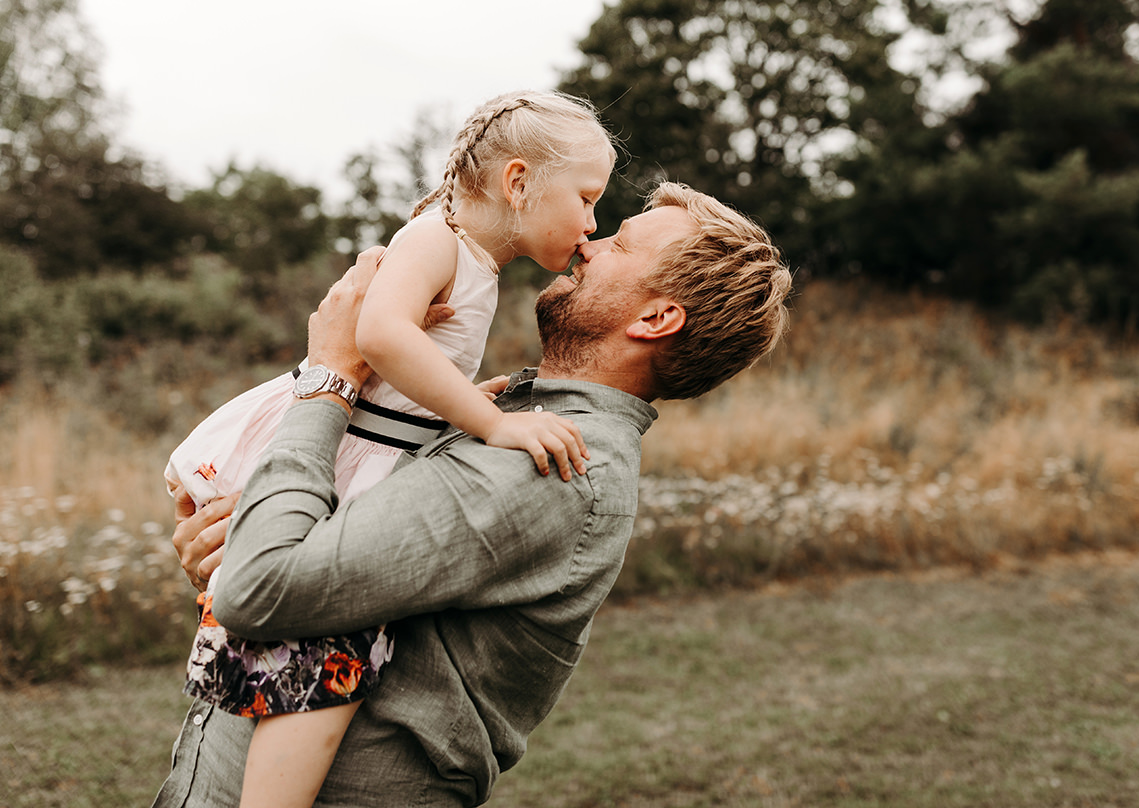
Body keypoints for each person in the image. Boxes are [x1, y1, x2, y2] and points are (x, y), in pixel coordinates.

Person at [152, 181, 791, 807]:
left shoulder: (551, 468)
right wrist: (232, 545)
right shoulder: (506, 417)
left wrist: (331, 373)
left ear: (656, 318)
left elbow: (267, 587)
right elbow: (287, 577)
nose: (590, 242)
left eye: (620, 245)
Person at [162, 90, 615, 808]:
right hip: (343, 442)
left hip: (370, 442)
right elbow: (379, 338)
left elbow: (408, 378)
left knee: (330, 657)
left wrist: (465, 407)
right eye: (587, 199)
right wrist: (492, 425)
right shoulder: (436, 238)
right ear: (519, 181)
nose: (593, 225)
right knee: (323, 656)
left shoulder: (473, 259)